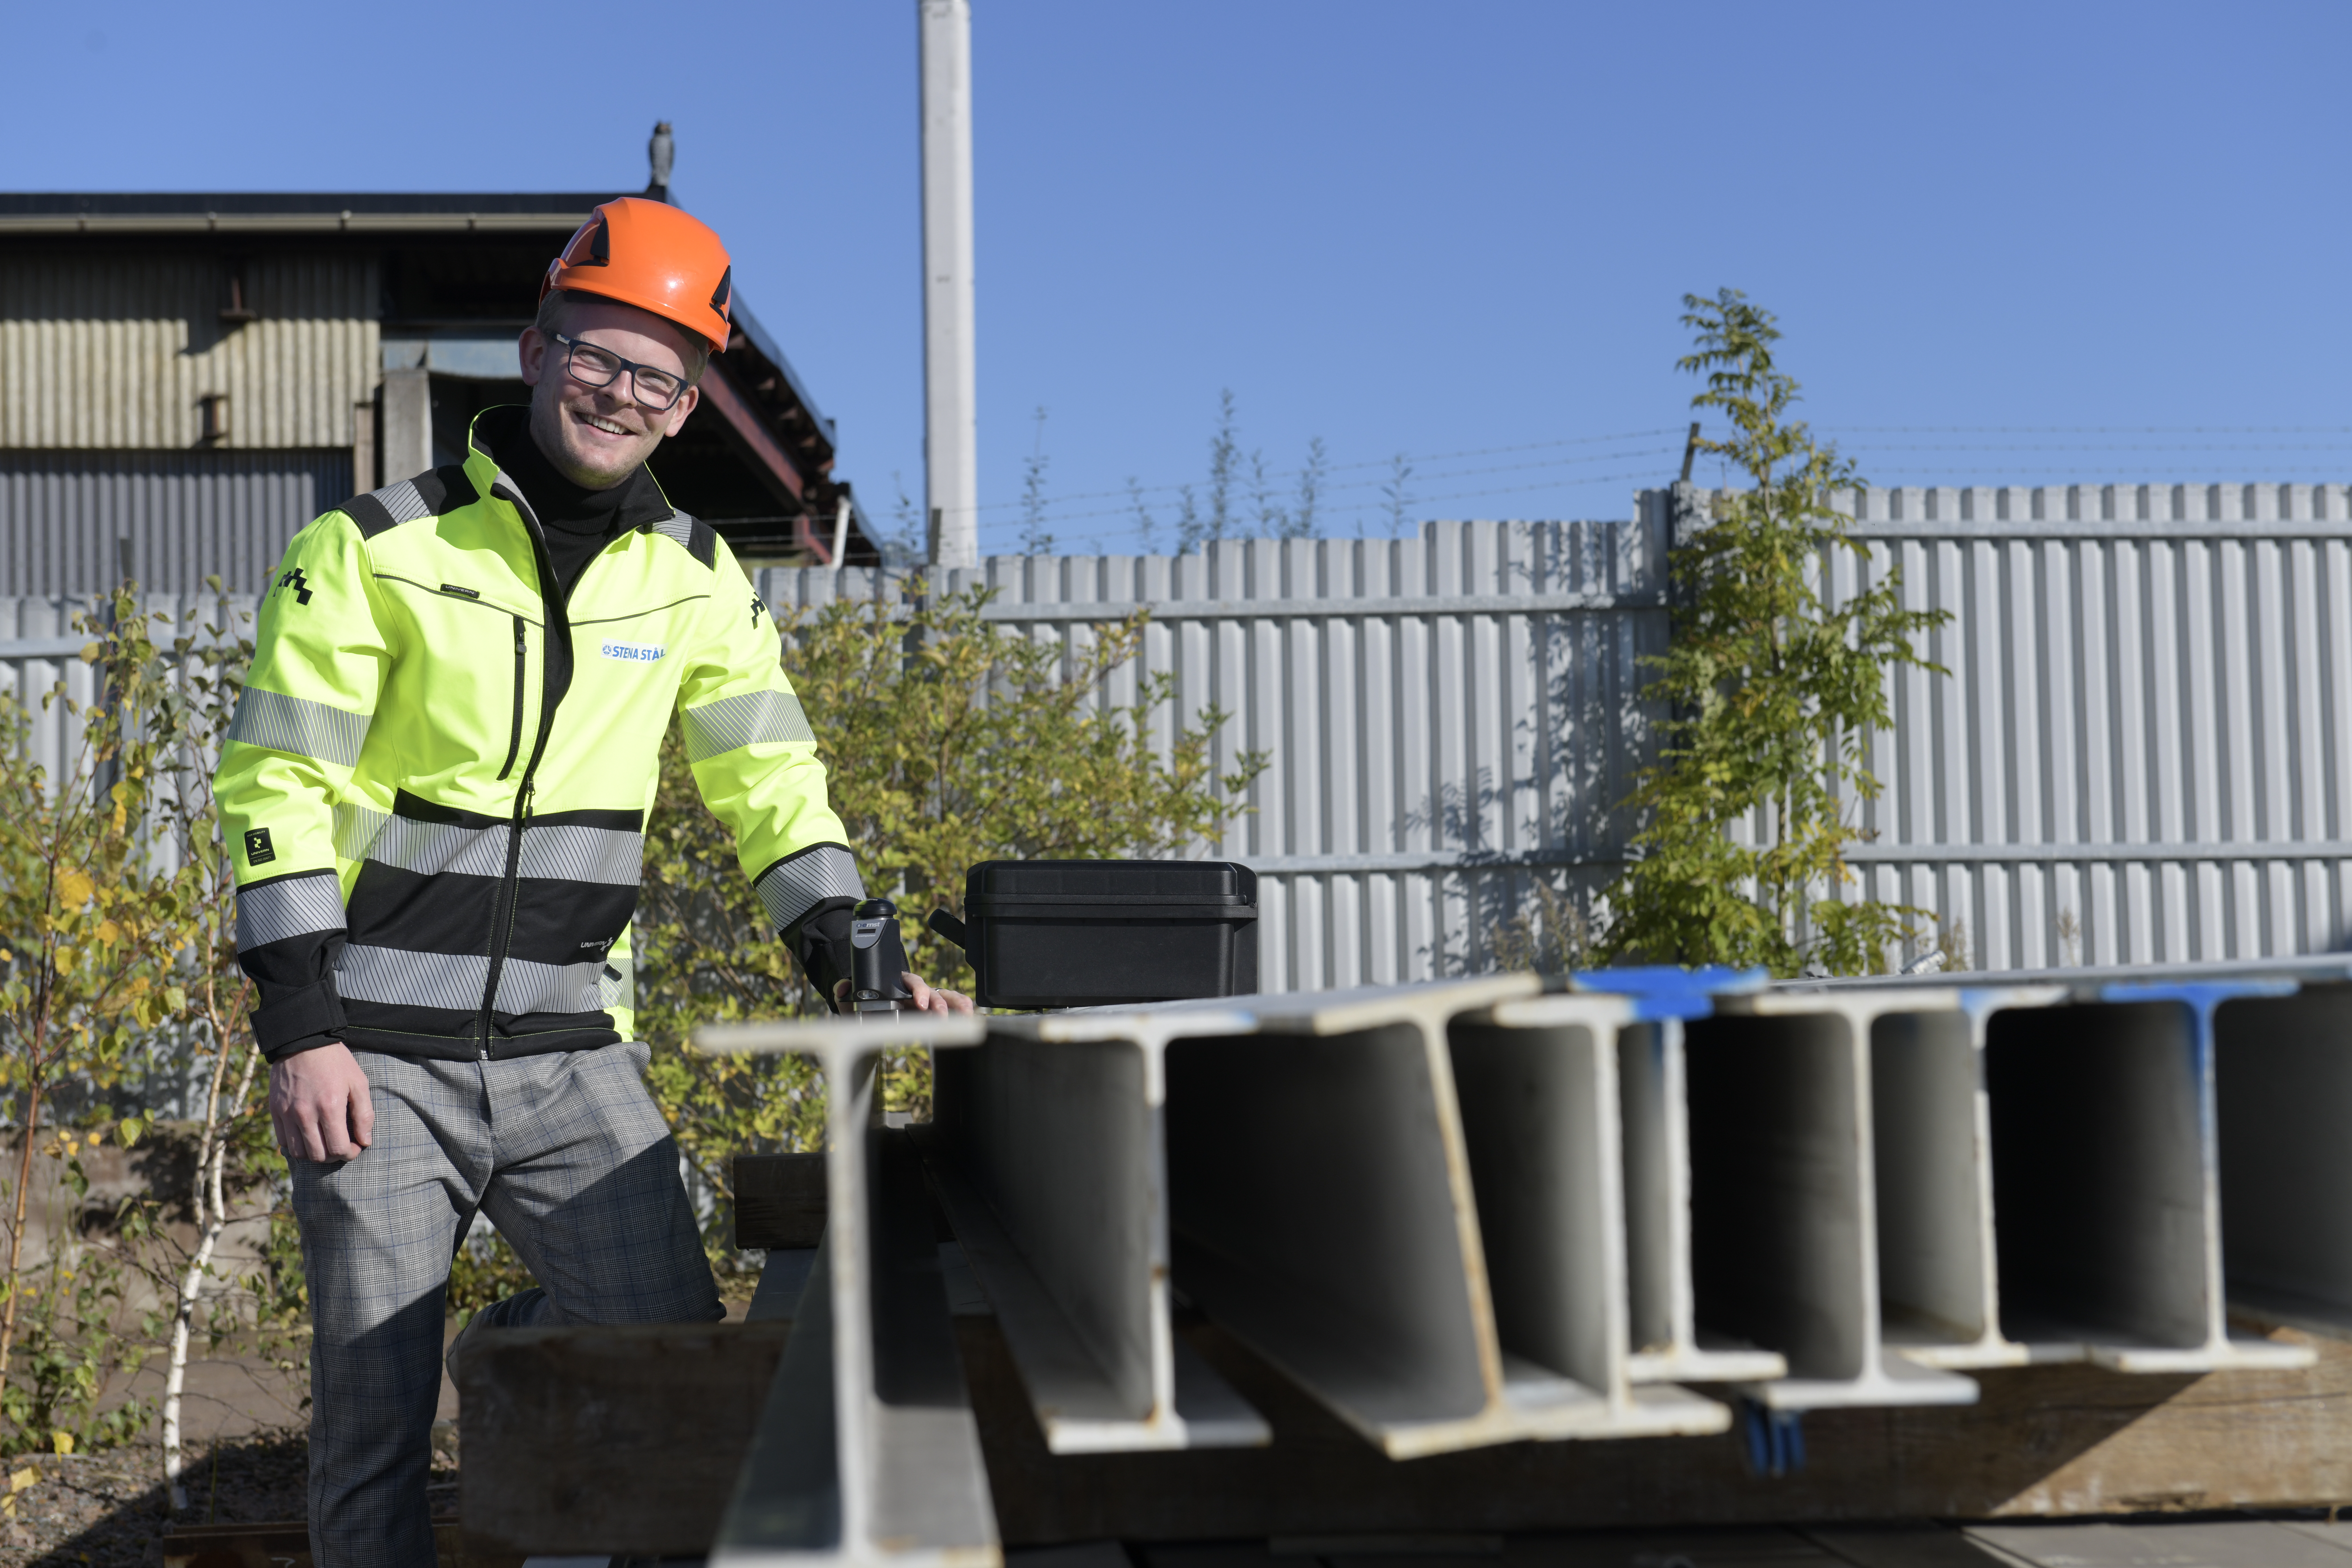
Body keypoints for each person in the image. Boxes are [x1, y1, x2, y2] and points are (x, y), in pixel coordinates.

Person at [213, 197, 970, 1568]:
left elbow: (773, 789)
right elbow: (277, 789)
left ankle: (508, 1355)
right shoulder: (377, 548)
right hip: (377, 1052)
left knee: (669, 1377)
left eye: (655, 375)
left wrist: (853, 951)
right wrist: (305, 1028)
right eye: (596, 354)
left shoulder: (696, 584)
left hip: (571, 1049)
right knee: (371, 1420)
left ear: (685, 408)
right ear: (535, 347)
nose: (618, 392)